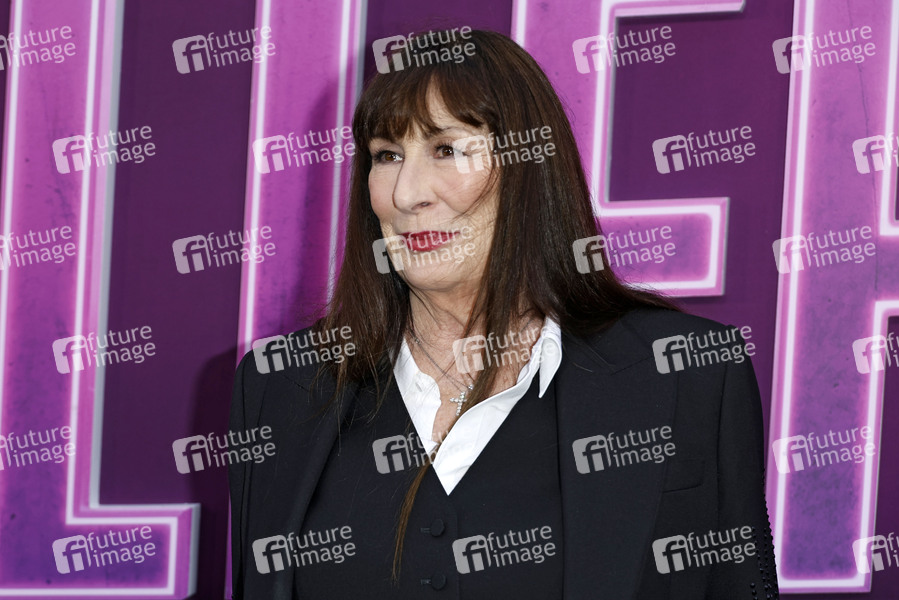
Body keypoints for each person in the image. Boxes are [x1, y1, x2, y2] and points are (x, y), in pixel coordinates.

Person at [229, 29, 778, 599]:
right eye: (387, 155)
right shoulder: (281, 387)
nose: (407, 193)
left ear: (528, 167)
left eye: (447, 148)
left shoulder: (685, 375)